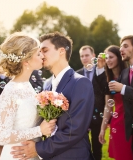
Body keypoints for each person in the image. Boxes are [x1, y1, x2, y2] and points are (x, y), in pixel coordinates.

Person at [11, 31, 95, 160]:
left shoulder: (80, 83)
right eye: (39, 52)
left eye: (44, 50)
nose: (40, 55)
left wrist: (38, 148)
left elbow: (74, 130)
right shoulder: (46, 84)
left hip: (73, 155)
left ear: (61, 51)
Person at [0, 32, 56, 160]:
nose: (42, 56)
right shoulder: (11, 91)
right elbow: (3, 136)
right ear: (26, 60)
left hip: (31, 153)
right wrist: (39, 131)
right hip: (16, 154)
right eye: (38, 53)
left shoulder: (27, 85)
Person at [98, 45, 133, 160]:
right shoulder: (108, 79)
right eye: (106, 58)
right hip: (117, 123)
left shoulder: (130, 75)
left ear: (119, 57)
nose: (108, 60)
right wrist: (103, 128)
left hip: (132, 121)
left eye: (111, 57)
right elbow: (108, 106)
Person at [76, 45, 107, 160]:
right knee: (83, 147)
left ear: (93, 56)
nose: (84, 58)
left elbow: (105, 90)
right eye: (82, 56)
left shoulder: (101, 71)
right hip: (82, 117)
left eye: (87, 55)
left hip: (98, 115)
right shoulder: (76, 75)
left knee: (97, 148)